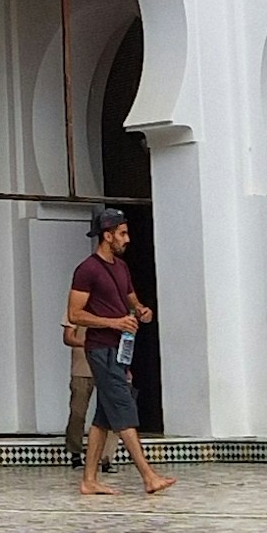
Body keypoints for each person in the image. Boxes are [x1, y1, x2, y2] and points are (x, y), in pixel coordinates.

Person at [66, 209, 172, 499]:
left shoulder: (121, 268)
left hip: (120, 349)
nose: (127, 239)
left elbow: (132, 302)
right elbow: (75, 313)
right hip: (100, 348)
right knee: (124, 409)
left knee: (103, 416)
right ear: (107, 235)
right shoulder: (86, 269)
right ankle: (148, 476)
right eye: (122, 233)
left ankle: (89, 480)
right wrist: (113, 322)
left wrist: (142, 312)